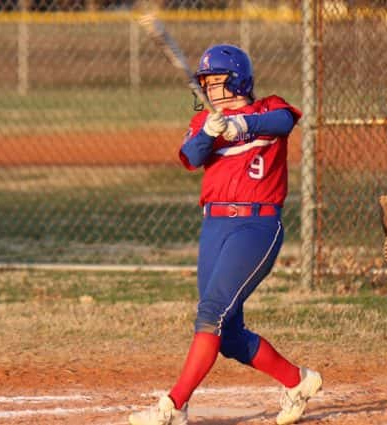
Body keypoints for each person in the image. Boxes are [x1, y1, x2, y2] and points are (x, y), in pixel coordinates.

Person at [128, 44, 322, 425]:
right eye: (205, 84)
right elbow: (191, 155)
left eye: (217, 82)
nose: (209, 91)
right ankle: (298, 381)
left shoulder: (267, 108)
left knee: (211, 312)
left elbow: (285, 121)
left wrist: (243, 125)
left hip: (256, 225)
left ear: (238, 81)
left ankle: (175, 406)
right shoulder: (205, 122)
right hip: (215, 226)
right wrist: (211, 132)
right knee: (228, 333)